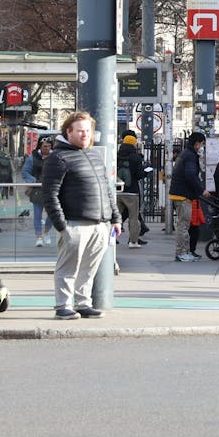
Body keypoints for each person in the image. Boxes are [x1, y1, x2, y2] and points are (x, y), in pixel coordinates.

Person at [41, 111, 120, 319]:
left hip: (99, 223)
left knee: (89, 267)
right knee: (68, 267)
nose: (85, 134)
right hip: (74, 222)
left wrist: (115, 218)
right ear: (69, 132)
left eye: (88, 130)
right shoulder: (58, 158)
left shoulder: (93, 155)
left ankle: (83, 303)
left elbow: (106, 189)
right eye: (80, 131)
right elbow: (49, 194)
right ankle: (63, 306)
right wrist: (61, 225)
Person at [169, 132, 206, 263]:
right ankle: (181, 252)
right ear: (197, 143)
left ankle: (185, 251)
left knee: (184, 224)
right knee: (183, 225)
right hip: (183, 195)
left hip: (181, 193)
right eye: (202, 144)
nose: (202, 147)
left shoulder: (185, 154)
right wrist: (201, 190)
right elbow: (190, 175)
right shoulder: (190, 156)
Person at [23, 137, 55, 247]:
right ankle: (39, 236)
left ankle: (46, 232)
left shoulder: (55, 157)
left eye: (49, 146)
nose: (47, 148)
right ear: (40, 146)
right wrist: (34, 181)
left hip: (51, 189)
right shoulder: (33, 158)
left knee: (51, 214)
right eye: (45, 146)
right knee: (37, 214)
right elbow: (25, 172)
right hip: (37, 189)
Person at [116, 134, 147, 248]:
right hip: (132, 192)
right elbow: (138, 175)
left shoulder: (117, 155)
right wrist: (146, 172)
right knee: (133, 218)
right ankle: (133, 241)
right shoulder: (136, 157)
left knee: (116, 216)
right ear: (134, 144)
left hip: (118, 190)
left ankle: (111, 238)